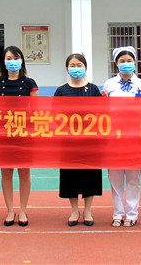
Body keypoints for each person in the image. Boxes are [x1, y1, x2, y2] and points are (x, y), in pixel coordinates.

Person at [0, 45, 38, 227]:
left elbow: (35, 111)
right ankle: (10, 210)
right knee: (6, 172)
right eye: (9, 59)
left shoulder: (29, 83)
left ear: (22, 61)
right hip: (3, 133)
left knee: (24, 172)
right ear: (3, 61)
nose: (12, 62)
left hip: (24, 134)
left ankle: (23, 210)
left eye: (16, 58)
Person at [102, 46, 141, 228]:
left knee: (133, 178)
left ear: (135, 62)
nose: (126, 64)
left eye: (129, 61)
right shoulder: (109, 84)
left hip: (135, 137)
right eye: (122, 61)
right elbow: (103, 110)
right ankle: (118, 213)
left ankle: (131, 213)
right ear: (116, 64)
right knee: (115, 178)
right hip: (114, 137)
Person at [54, 53, 102, 227]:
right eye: (72, 65)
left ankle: (88, 210)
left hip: (90, 142)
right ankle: (74, 210)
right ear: (67, 69)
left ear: (86, 68)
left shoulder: (94, 90)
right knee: (70, 176)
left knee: (90, 175)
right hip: (68, 142)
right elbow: (55, 114)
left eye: (79, 65)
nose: (76, 68)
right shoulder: (61, 91)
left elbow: (101, 113)